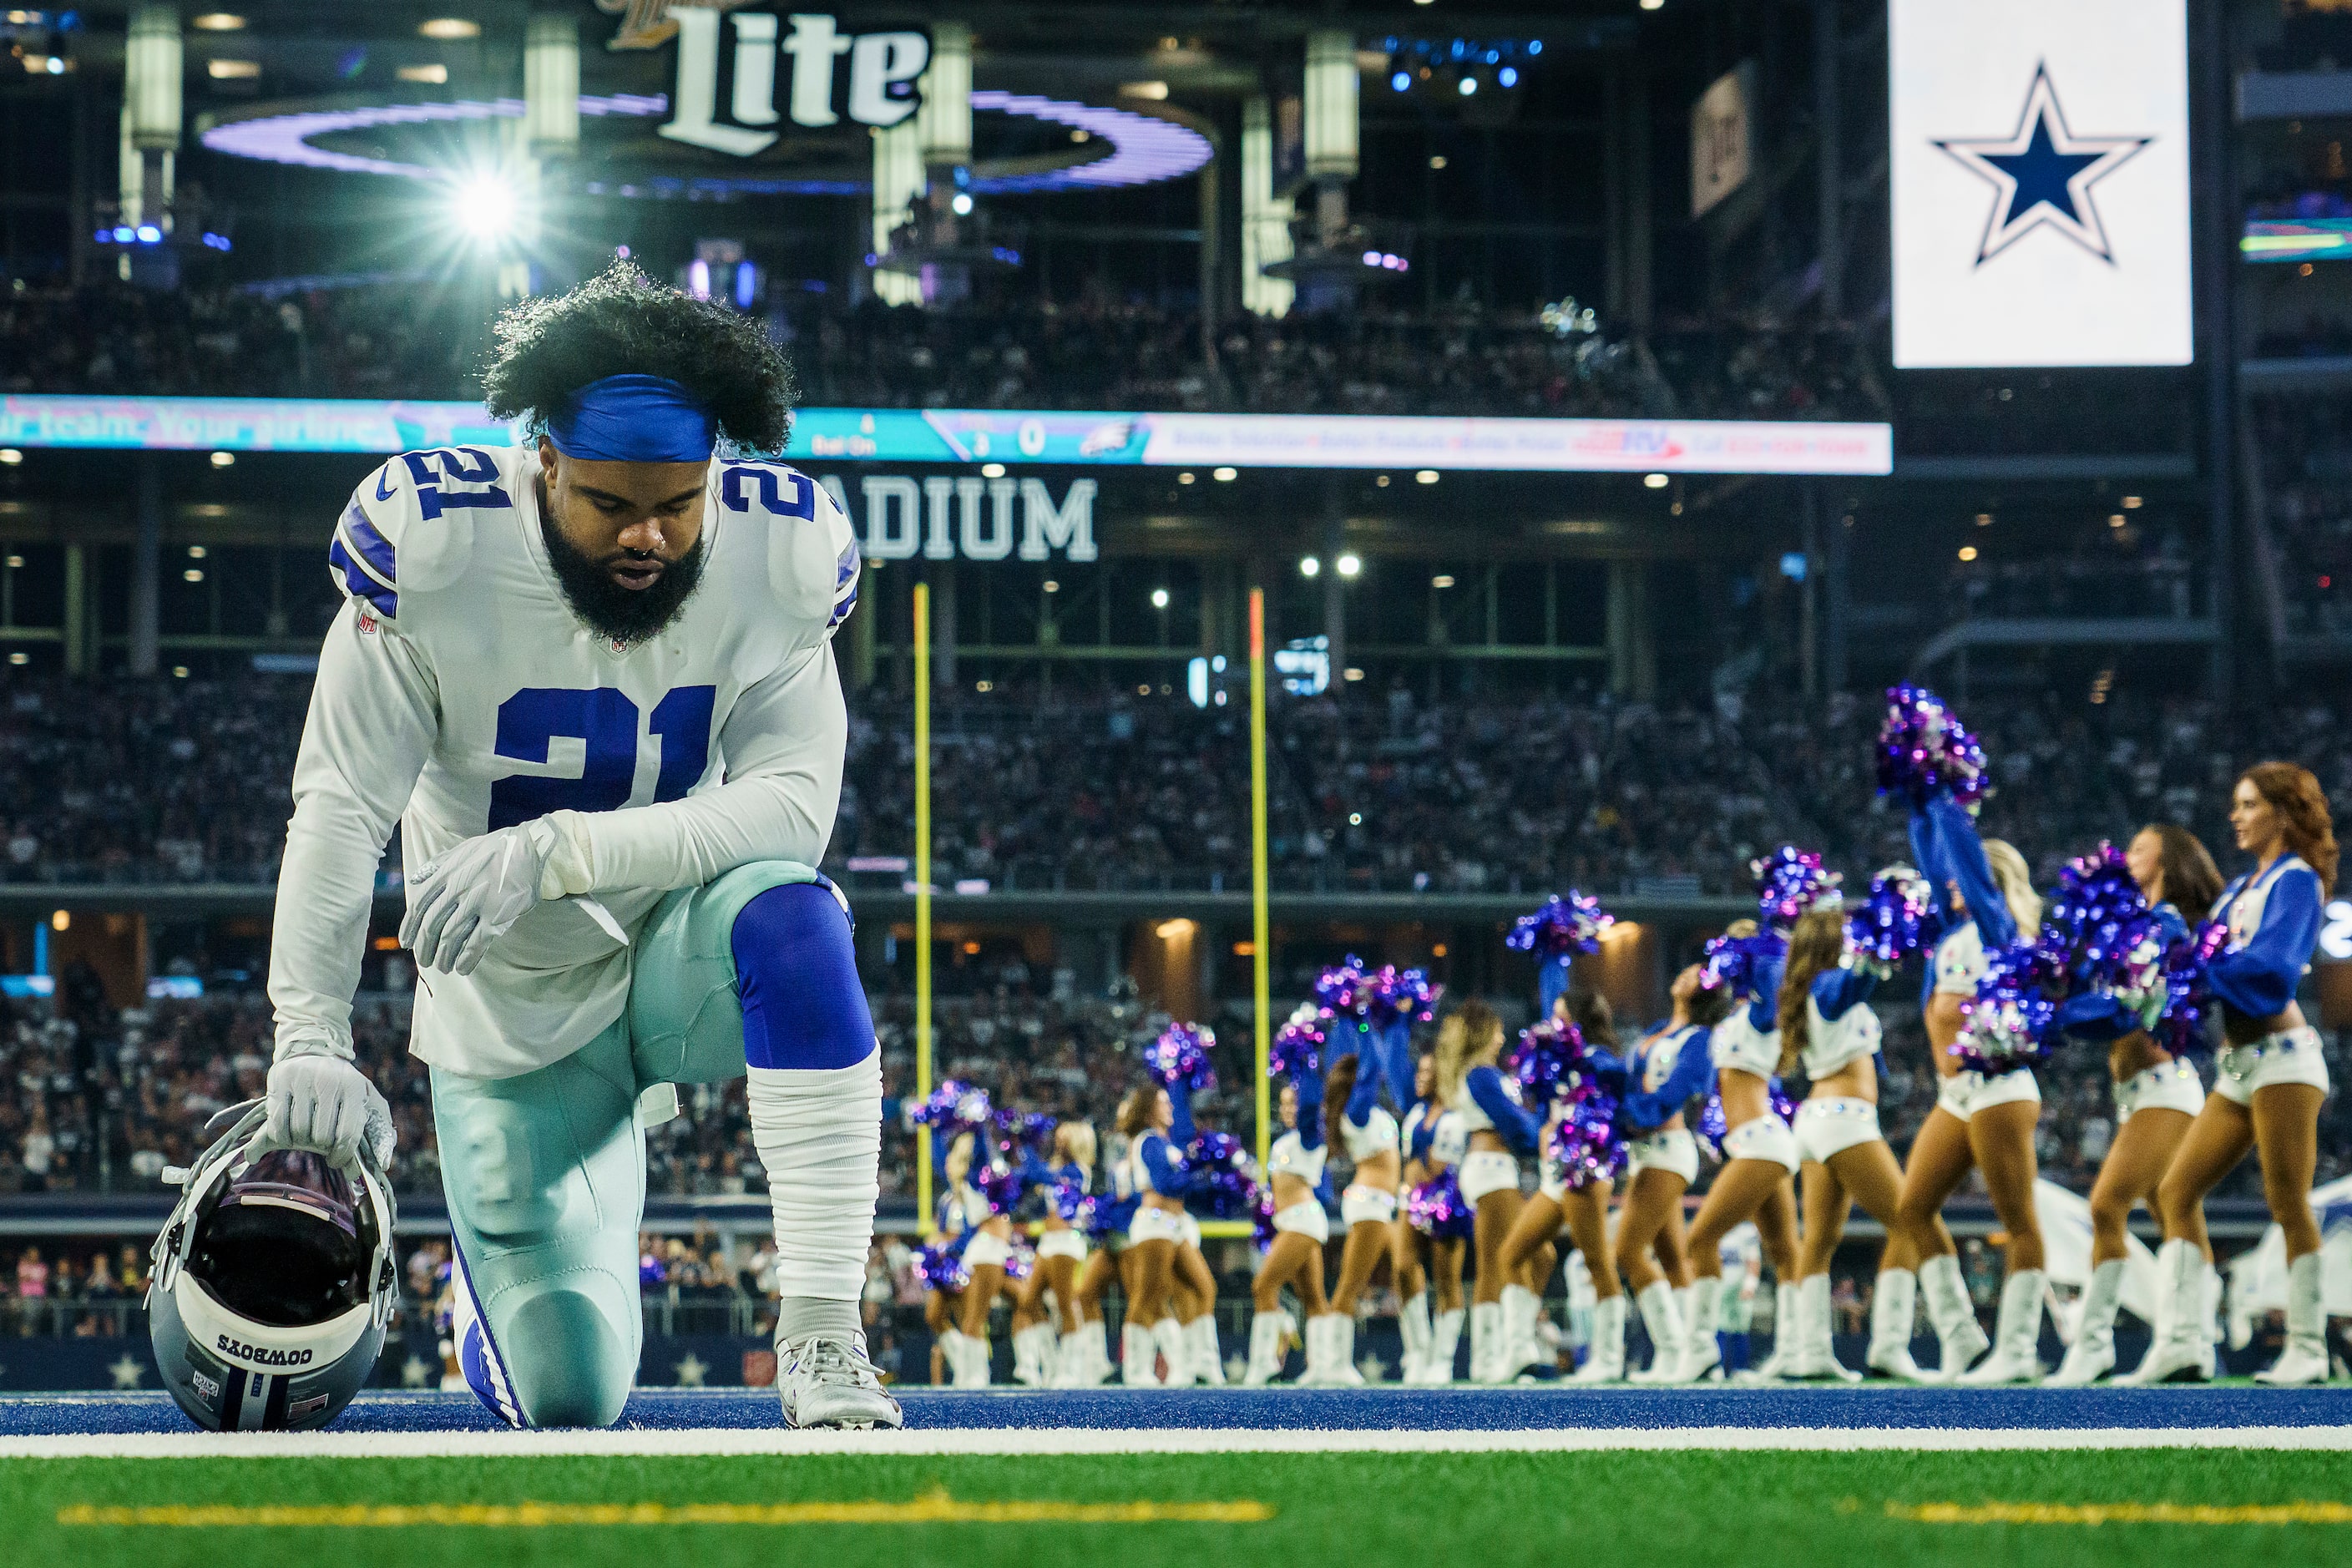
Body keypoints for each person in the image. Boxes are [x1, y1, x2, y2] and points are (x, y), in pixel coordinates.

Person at [255, 261, 895, 1429]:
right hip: (512, 1007)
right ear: (543, 463)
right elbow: (343, 800)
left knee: (795, 913)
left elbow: (792, 810)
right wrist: (310, 1031)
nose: (648, 535)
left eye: (679, 502)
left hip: (672, 948)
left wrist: (559, 849)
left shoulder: (783, 548)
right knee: (569, 1398)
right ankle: (492, 1298)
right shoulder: (436, 543)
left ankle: (822, 1333)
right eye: (610, 504)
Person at [2137, 764, 2337, 1386]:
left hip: (2283, 1061)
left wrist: (2192, 958)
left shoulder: (2295, 882)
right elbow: (2203, 974)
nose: (2235, 815)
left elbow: (2271, 975)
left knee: (2286, 1202)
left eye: (2248, 804)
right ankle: (2184, 1342)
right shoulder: (2234, 893)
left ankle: (2307, 1347)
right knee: (2174, 1192)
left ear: (2281, 813)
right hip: (2236, 1068)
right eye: (2235, 804)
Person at [2050, 826, 2222, 1385]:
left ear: (2165, 860)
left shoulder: (2164, 922)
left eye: (2140, 848)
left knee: (2105, 1206)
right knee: (2176, 1213)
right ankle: (2190, 1342)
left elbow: (2125, 1009)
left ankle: (2093, 1345)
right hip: (2141, 1094)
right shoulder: (2135, 924)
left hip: (2165, 1090)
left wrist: (2056, 1014)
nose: (2126, 855)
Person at [1889, 797, 2046, 1383]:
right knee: (1911, 1209)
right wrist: (1918, 799)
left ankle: (2018, 1348)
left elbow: (1961, 863)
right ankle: (1962, 1337)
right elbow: (1935, 862)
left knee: (2017, 1220)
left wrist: (1946, 801)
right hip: (1954, 1094)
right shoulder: (1954, 931)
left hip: (1998, 1087)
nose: (1949, 882)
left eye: (1964, 875)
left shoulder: (1996, 928)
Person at [1777, 904, 1904, 1381]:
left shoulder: (1811, 989)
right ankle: (1890, 1345)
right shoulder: (1831, 986)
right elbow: (1860, 980)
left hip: (1817, 1121)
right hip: (1844, 1121)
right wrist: (1881, 937)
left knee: (1820, 1241)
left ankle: (1812, 1352)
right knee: (1912, 1221)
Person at [1681, 926, 1803, 1383]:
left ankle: (1699, 1352)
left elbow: (1772, 991)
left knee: (1699, 1241)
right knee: (1785, 1250)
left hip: (1761, 1143)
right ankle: (1796, 1351)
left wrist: (1767, 947)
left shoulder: (1760, 1014)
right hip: (1756, 1143)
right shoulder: (1735, 1017)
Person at [1603, 964, 1728, 1381]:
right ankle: (1699, 1354)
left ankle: (1676, 1350)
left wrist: (1621, 1118)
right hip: (1645, 1151)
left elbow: (1672, 1096)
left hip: (1666, 1151)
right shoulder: (1659, 1030)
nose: (1686, 973)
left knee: (1627, 1252)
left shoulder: (1699, 1039)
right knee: (1674, 1258)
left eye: (1695, 974)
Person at [1499, 991, 1626, 1383]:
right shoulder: (1556, 1061)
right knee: (1512, 1255)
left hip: (1585, 1166)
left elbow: (1616, 1093)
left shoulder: (1598, 1059)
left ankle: (1609, 1357)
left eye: (1560, 1017)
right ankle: (1519, 1352)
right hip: (1556, 1172)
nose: (1552, 1025)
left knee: (1596, 1262)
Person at [1434, 1001, 1542, 1383]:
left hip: (1499, 1168)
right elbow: (1511, 1121)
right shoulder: (1480, 1075)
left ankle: (1496, 1355)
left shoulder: (1486, 1073)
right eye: (1496, 1030)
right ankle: (1509, 1352)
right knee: (1507, 1258)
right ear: (1482, 1034)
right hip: (1490, 1167)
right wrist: (1542, 1139)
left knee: (1530, 1254)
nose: (1502, 1037)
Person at [1247, 1070, 1337, 1383]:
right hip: (1293, 1222)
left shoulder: (1310, 1137)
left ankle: (1263, 1365)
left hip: (1303, 1221)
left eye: (1294, 1104)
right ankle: (1323, 1368)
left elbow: (1312, 1106)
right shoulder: (1284, 1142)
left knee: (1263, 1286)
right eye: (1284, 1104)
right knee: (1312, 1296)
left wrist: (1307, 1064)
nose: (1288, 1110)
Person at [1115, 1078, 1197, 1386]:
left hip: (1172, 1225)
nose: (1170, 1106)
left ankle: (1186, 1367)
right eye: (1164, 1102)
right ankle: (1136, 1371)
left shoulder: (1164, 1141)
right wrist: (1199, 1176)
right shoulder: (1149, 1140)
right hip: (1154, 1223)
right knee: (1147, 1296)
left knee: (1194, 1290)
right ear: (1150, 1109)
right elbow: (1165, 1183)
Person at [1324, 1052, 1399, 1384]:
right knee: (1351, 1285)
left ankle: (1421, 1358)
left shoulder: (1370, 1113)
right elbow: (1372, 1070)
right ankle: (1334, 1364)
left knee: (1407, 1273)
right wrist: (1366, 1021)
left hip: (1382, 1204)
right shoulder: (1355, 1114)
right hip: (1369, 1204)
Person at [1008, 1120, 1097, 1388]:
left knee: (1066, 1303)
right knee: (1029, 1301)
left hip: (1067, 1243)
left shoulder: (1078, 1171)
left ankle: (1072, 1369)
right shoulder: (1055, 1169)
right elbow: (1029, 1176)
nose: (1059, 1141)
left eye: (1065, 1136)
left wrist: (1024, 1143)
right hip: (1049, 1242)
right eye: (1058, 1136)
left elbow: (1037, 1173)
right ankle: (1052, 1363)